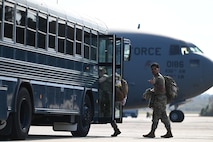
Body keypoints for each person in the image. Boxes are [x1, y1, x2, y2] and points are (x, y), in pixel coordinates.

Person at [143, 62, 173, 138]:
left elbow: (161, 89)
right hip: (160, 100)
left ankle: (152, 132)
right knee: (163, 117)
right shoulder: (156, 77)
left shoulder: (159, 78)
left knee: (155, 117)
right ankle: (169, 132)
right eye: (152, 69)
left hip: (159, 100)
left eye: (155, 69)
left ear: (158, 69)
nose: (153, 71)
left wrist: (152, 88)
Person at [98, 67, 121, 137]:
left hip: (108, 99)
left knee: (109, 115)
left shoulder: (105, 78)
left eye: (100, 71)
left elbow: (99, 81)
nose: (99, 72)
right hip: (107, 99)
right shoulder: (107, 78)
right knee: (109, 115)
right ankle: (116, 129)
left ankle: (116, 129)